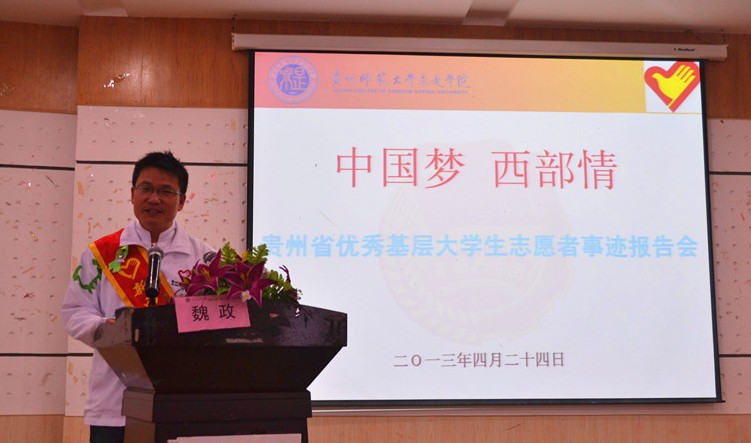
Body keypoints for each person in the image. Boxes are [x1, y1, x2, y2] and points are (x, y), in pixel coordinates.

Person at [62, 151, 215, 443]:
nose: (154, 198)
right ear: (132, 194)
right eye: (146, 188)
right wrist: (107, 330)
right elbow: (74, 312)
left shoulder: (204, 259)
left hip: (179, 402)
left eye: (166, 191)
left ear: (182, 201)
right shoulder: (100, 255)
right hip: (114, 404)